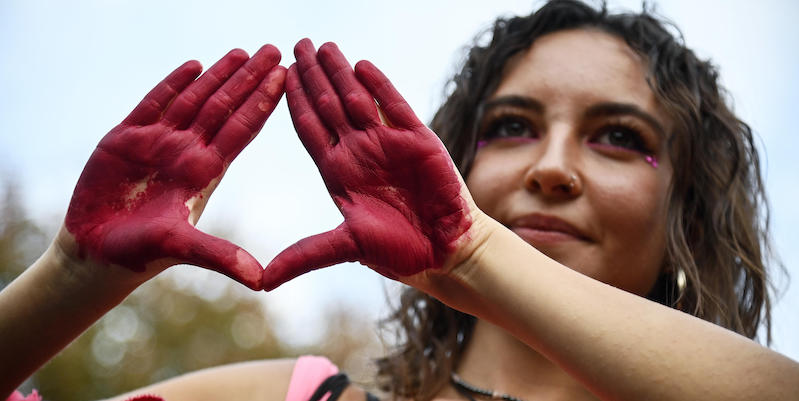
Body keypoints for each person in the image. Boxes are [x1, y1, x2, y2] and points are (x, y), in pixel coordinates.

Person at [1, 1, 798, 400]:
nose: (552, 167)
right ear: (457, 166)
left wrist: (479, 256)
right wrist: (71, 278)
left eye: (618, 136)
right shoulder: (296, 395)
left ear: (686, 210)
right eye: (513, 126)